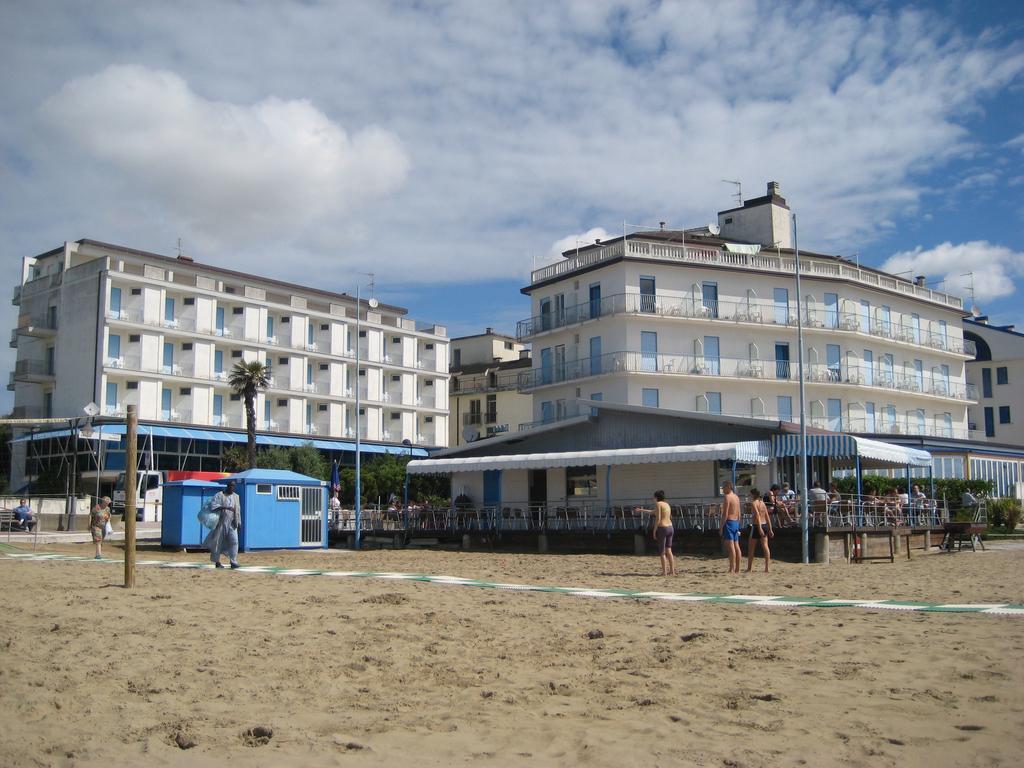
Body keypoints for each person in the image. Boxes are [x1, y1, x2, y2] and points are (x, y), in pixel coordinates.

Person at [635, 490, 676, 576]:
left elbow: (658, 518)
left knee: (662, 552)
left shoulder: (658, 504)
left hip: (663, 528)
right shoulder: (666, 504)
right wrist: (641, 510)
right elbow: (653, 512)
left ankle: (664, 572)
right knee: (669, 550)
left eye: (654, 497)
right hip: (670, 528)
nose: (653, 499)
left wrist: (654, 530)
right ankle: (672, 571)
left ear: (656, 497)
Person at [205, 480, 241, 569]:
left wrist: (239, 523)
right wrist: (226, 507)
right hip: (220, 522)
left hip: (232, 523)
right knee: (217, 542)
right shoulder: (219, 495)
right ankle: (217, 562)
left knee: (234, 541)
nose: (232, 487)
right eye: (231, 486)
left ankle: (233, 561)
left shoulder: (236, 496)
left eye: (234, 486)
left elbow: (238, 511)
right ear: (227, 486)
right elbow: (213, 506)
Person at [745, 489, 774, 573]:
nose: (750, 496)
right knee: (765, 546)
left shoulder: (754, 503)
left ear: (754, 495)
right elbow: (767, 516)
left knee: (751, 548)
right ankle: (767, 568)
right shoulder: (762, 503)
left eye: (751, 495)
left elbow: (757, 515)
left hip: (757, 526)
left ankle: (749, 568)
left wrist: (759, 528)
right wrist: (770, 529)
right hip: (764, 525)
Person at [720, 481, 742, 573]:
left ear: (728, 487)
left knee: (731, 546)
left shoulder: (727, 497)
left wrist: (721, 527)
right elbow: (739, 513)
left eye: (723, 488)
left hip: (729, 522)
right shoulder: (736, 497)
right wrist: (738, 524)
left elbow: (725, 513)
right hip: (736, 522)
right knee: (737, 545)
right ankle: (738, 568)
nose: (723, 490)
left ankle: (731, 568)